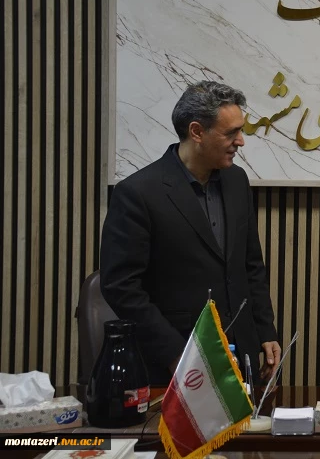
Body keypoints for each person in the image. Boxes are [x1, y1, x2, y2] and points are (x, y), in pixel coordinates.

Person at [100, 81, 281, 385]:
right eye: (231, 133)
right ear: (197, 132)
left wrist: (265, 330)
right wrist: (176, 353)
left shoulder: (237, 181)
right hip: (175, 361)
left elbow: (251, 265)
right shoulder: (138, 193)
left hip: (241, 355)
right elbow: (121, 286)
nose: (240, 141)